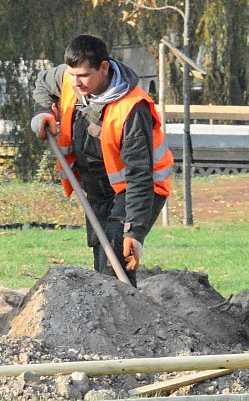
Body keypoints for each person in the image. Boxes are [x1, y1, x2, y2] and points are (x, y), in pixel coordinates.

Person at [31, 34, 172, 286]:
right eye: (72, 75)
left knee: (117, 253)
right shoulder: (71, 79)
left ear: (104, 68)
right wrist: (43, 112)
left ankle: (127, 309)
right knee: (102, 258)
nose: (76, 82)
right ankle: (110, 307)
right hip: (97, 187)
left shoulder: (132, 109)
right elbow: (43, 83)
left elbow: (139, 175)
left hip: (137, 189)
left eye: (84, 76)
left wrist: (134, 231)